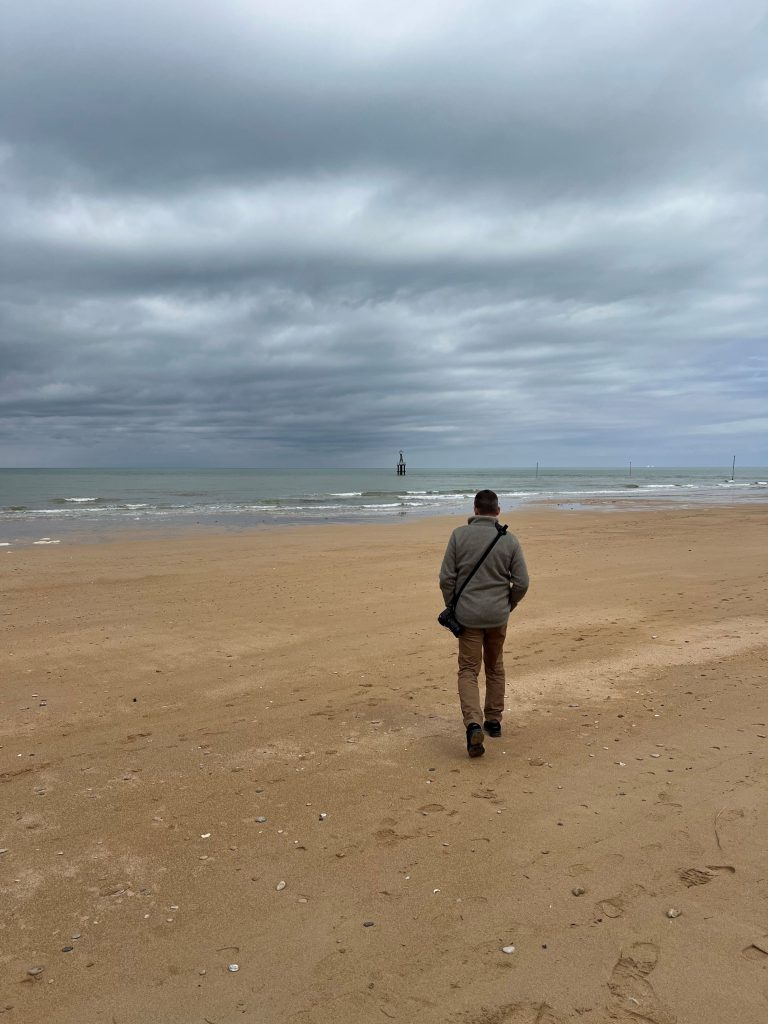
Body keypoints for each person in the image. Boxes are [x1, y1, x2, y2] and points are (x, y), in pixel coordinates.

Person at [439, 489, 529, 758]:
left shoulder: (458, 535)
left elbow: (446, 578)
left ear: (475, 510)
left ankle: (474, 723)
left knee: (468, 670)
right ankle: (493, 721)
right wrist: (508, 604)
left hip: (468, 617)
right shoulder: (509, 540)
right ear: (497, 511)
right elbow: (522, 582)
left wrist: (452, 605)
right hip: (497, 617)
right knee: (495, 666)